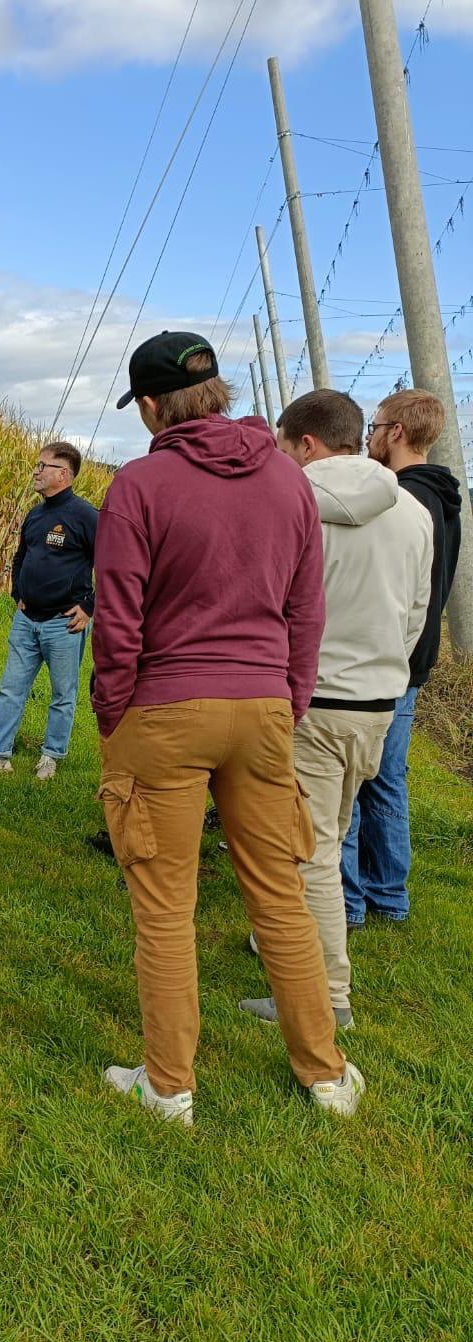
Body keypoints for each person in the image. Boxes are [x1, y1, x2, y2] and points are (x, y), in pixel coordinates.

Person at [92, 331, 361, 1125]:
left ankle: (169, 1085)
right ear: (219, 393)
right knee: (279, 892)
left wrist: (115, 719)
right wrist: (290, 697)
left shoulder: (140, 484)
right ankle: (326, 1075)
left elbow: (118, 622)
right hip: (264, 708)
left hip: (165, 709)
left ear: (150, 406)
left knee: (165, 906)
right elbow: (305, 610)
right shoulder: (287, 480)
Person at [240, 390, 432, 1032]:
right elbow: (416, 613)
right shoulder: (413, 511)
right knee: (331, 832)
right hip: (377, 703)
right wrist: (384, 671)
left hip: (314, 700)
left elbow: (272, 603)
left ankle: (323, 995)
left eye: (285, 447)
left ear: (308, 445)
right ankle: (297, 961)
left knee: (311, 852)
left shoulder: (290, 506)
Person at [341, 388, 462, 926]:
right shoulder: (442, 495)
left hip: (391, 660)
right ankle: (386, 894)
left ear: (396, 433)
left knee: (365, 779)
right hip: (410, 659)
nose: (368, 436)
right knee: (384, 778)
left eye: (375, 425)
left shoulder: (404, 498)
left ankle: (364, 899)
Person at [0, 442, 97, 781]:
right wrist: (18, 593)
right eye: (37, 465)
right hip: (27, 621)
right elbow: (21, 557)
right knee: (11, 688)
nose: (36, 472)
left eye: (43, 466)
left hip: (63, 625)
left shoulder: (86, 516)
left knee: (62, 695)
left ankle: (50, 757)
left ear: (64, 475)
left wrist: (88, 606)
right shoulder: (35, 514)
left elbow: (113, 565)